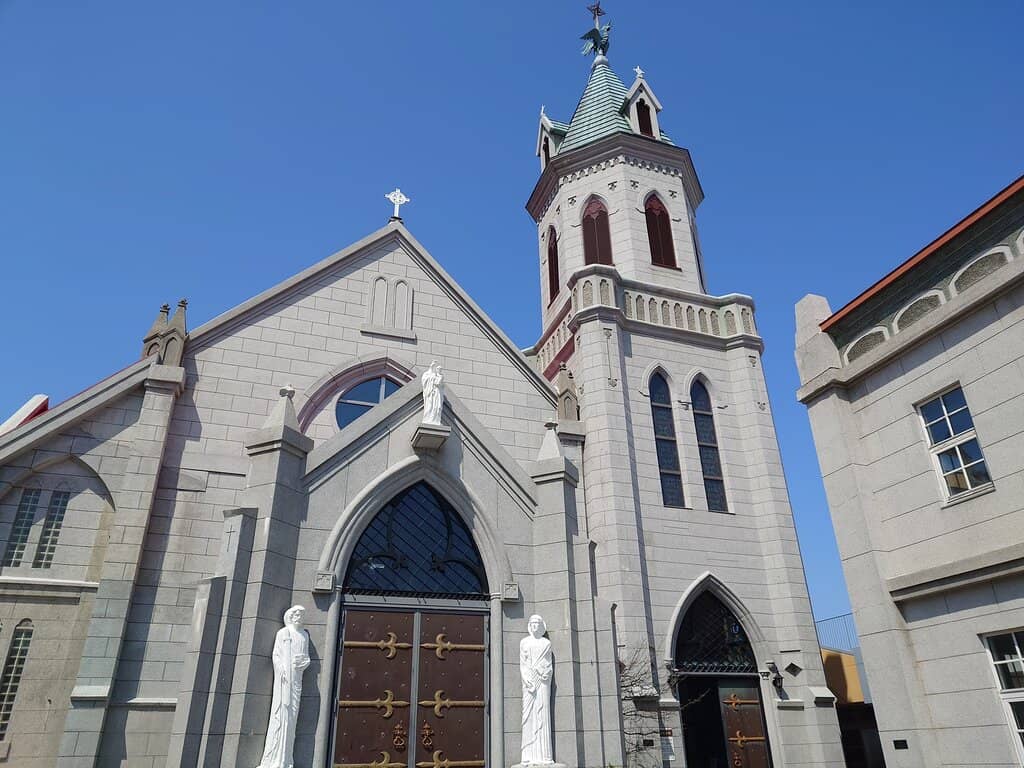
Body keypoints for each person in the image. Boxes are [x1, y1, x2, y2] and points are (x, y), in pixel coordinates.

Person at [256, 606, 311, 768]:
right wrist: (283, 671)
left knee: (292, 718)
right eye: (296, 614)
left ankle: (287, 759)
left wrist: (304, 662)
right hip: (284, 682)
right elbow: (276, 656)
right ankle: (273, 759)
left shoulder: (304, 635)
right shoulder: (283, 634)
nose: (299, 617)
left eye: (301, 614)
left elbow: (307, 658)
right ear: (290, 616)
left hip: (296, 681)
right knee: (281, 715)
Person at [520, 614, 554, 765]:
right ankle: (527, 753)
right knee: (527, 715)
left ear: (541, 626)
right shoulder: (524, 642)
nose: (534, 626)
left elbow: (549, 665)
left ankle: (545, 755)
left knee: (543, 714)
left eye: (537, 624)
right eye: (532, 623)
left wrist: (543, 672)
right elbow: (523, 664)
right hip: (529, 684)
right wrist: (527, 679)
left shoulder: (546, 643)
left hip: (542, 683)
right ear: (529, 625)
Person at [421, 360, 445, 425]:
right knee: (430, 405)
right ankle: (429, 418)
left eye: (440, 369)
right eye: (438, 368)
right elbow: (425, 379)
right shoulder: (429, 375)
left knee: (438, 407)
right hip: (431, 393)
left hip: (438, 393)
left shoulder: (441, 376)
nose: (439, 370)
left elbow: (439, 384)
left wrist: (439, 378)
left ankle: (436, 419)